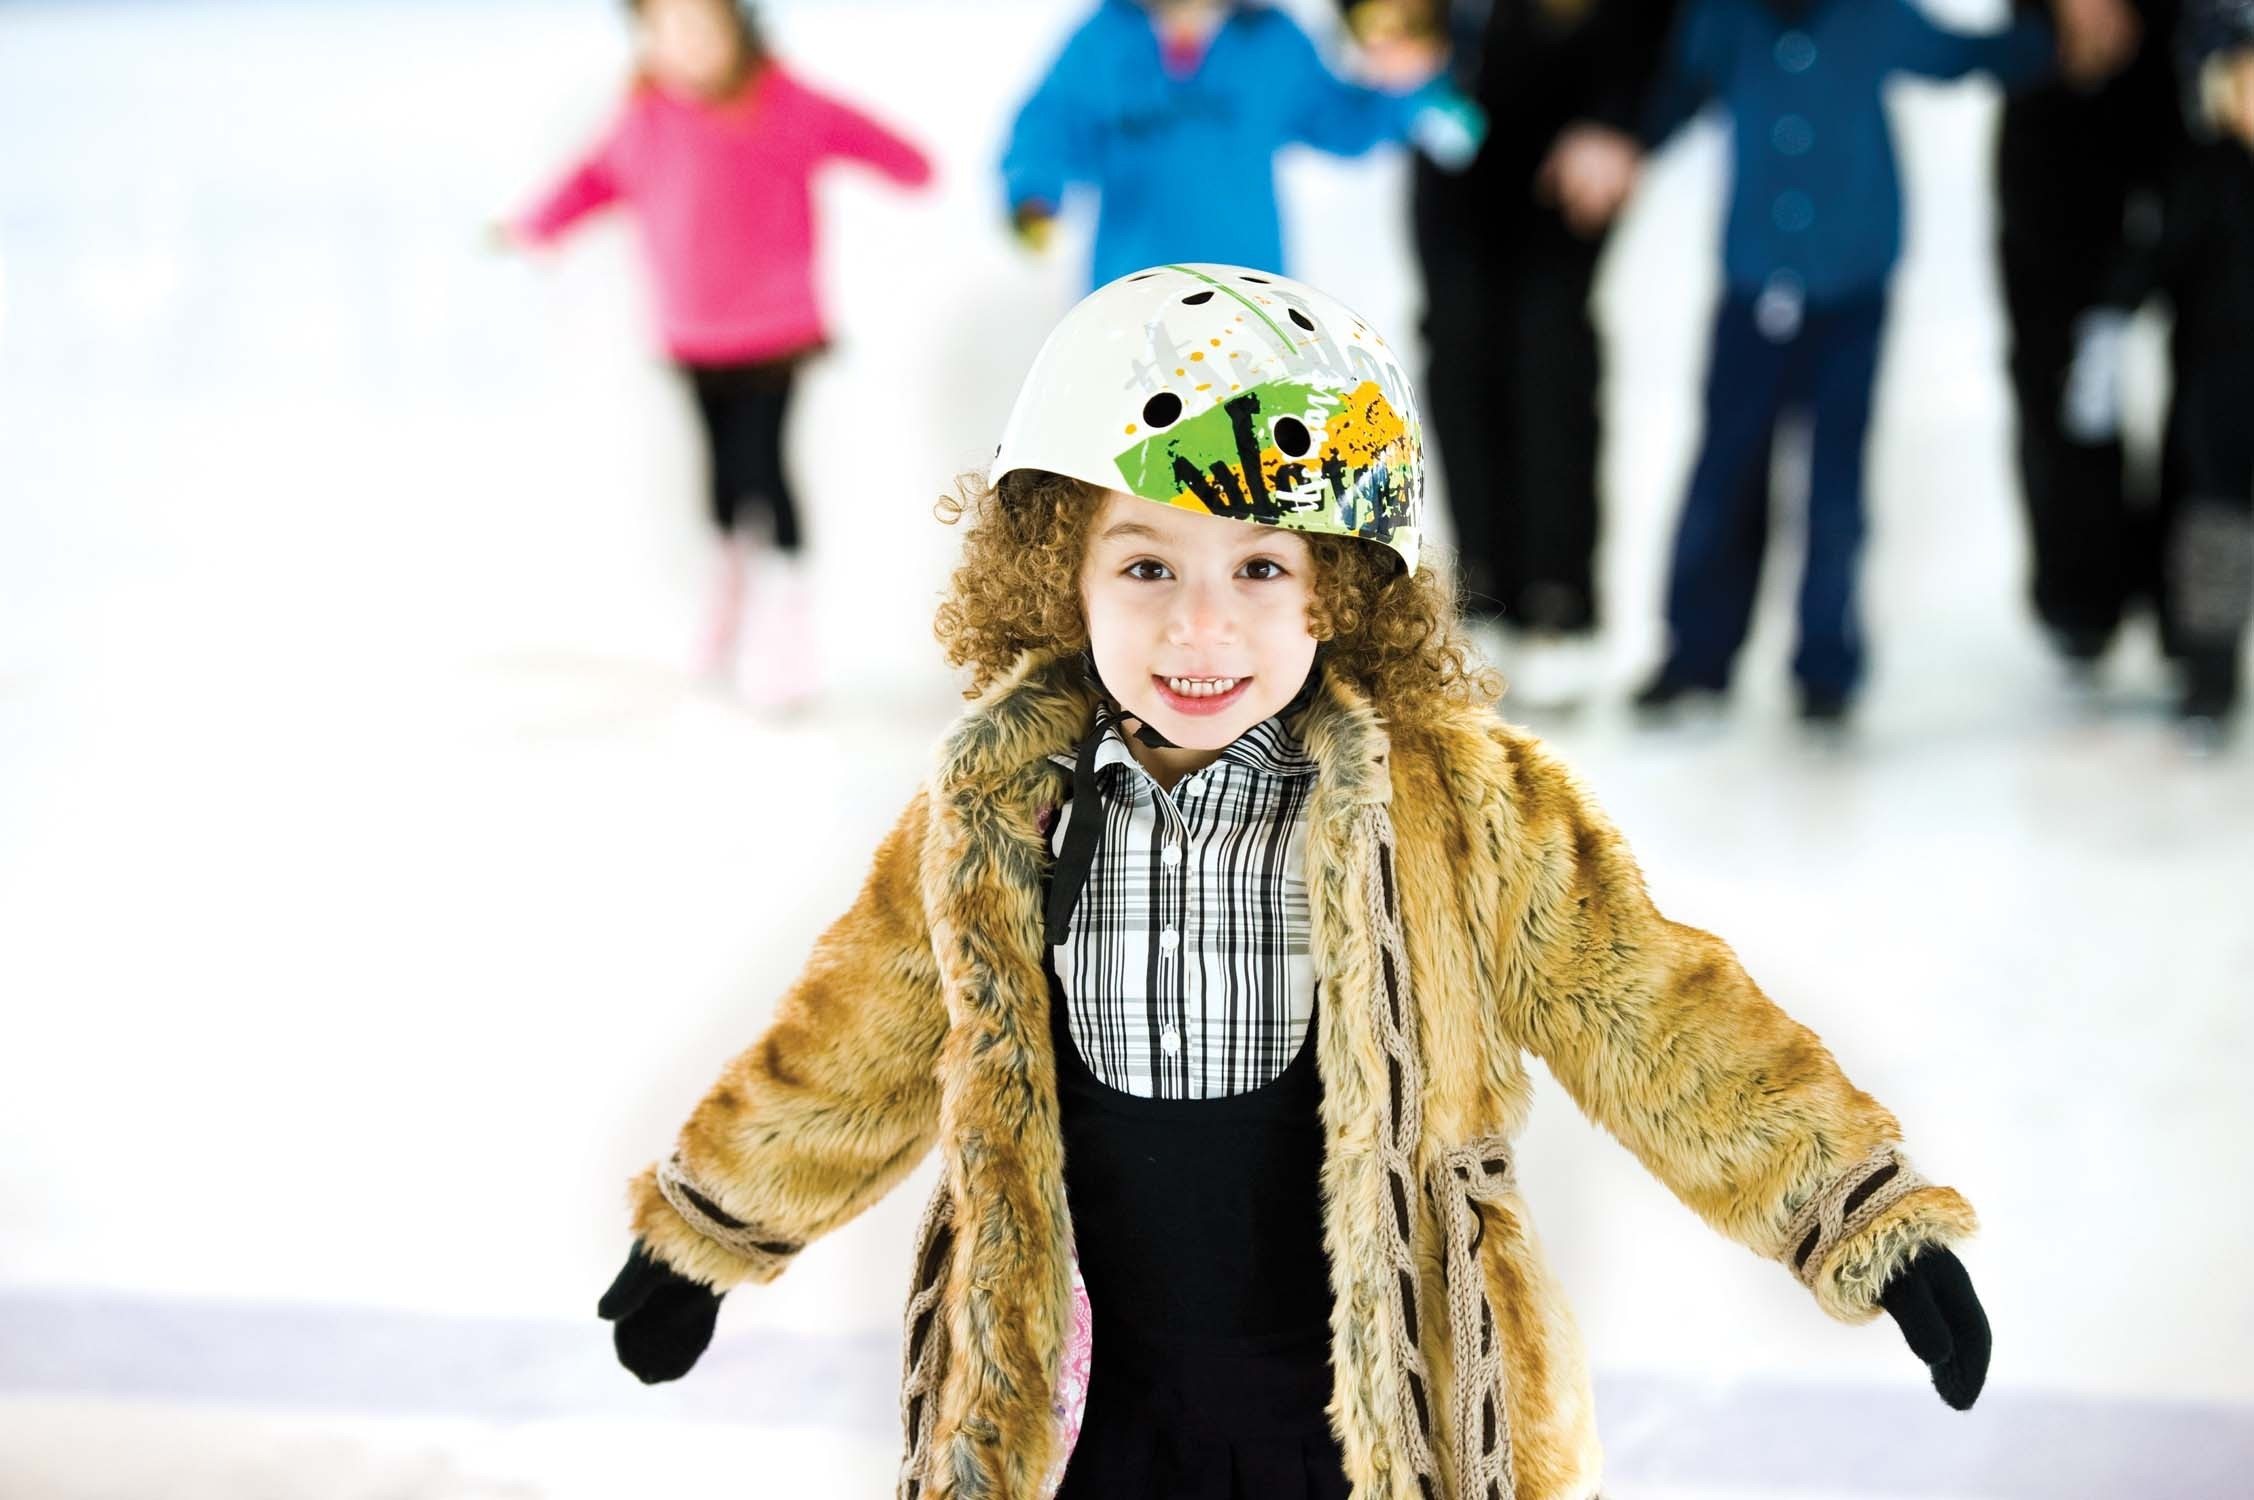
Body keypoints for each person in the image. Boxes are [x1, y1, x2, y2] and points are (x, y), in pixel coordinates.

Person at [590, 265, 1992, 1500]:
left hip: (1366, 1429)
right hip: (1080, 1424)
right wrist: (709, 1228)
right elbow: (865, 1038)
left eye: (1260, 565)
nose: (1201, 625)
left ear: (1341, 583)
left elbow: (1653, 1013)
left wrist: (1860, 1219)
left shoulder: (1453, 807)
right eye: (1144, 564)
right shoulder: (998, 809)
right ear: (1054, 574)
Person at [1551, 0, 2060, 727]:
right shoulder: (1723, 19)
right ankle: (1697, 656)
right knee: (1724, 473)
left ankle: (1827, 664)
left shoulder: (1872, 16)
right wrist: (1622, 140)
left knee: (1834, 486)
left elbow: (1957, 56)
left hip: (1850, 288)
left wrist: (2051, 41)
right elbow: (1676, 94)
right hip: (1754, 281)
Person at [505, 0, 931, 703]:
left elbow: (876, 143)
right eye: (668, 29)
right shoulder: (645, 117)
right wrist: (536, 225)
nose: (688, 44)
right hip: (691, 333)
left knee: (764, 469)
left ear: (738, 28)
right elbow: (592, 180)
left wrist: (909, 167)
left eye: (703, 26)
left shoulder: (786, 102)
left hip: (776, 332)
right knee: (721, 478)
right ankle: (730, 603)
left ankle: (787, 628)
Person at [1346, 0, 1685, 709]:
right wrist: (1378, 28)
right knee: (1460, 342)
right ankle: (1487, 598)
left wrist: (1627, 123)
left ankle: (1561, 601)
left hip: (1575, 115)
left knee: (1549, 345)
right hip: (1453, 114)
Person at [2065, 0, 2254, 746]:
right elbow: (2153, 256)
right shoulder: (2205, 176)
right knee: (2213, 522)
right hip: (2220, 386)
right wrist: (2109, 323)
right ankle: (2209, 673)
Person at [1001, 0, 1485, 288]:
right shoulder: (1101, 40)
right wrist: (1033, 195)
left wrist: (1409, 91)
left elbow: (1342, 122)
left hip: (1250, 288)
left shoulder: (1273, 42)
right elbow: (1049, 125)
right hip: (1131, 284)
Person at [1997, 0, 2179, 688]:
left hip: (2187, 95)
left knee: (2212, 383)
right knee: (2057, 374)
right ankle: (2081, 600)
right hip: (2056, 102)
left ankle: (2190, 617)